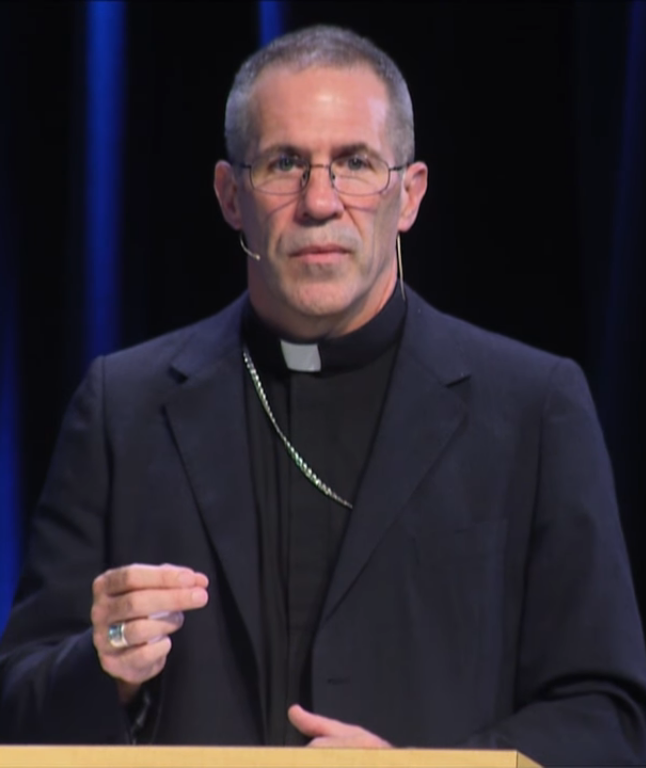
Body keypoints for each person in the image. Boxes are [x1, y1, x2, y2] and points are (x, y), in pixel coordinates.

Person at [1, 24, 646, 765]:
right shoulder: (123, 407)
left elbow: (608, 718)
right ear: (231, 195)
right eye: (284, 163)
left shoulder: (535, 407)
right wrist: (105, 667)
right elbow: (16, 702)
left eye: (355, 163)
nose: (319, 201)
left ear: (409, 195)